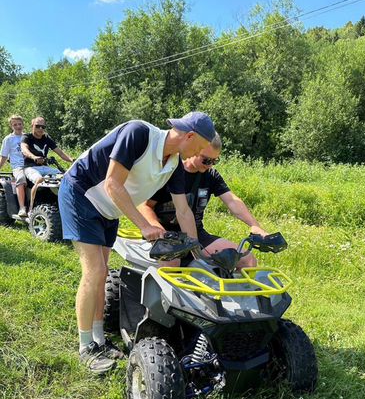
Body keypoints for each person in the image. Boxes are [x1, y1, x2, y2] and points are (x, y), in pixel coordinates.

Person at [58, 112, 217, 375]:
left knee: (104, 270)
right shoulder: (139, 134)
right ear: (189, 136)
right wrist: (144, 226)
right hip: (81, 193)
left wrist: (198, 255)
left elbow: (184, 212)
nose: (197, 155)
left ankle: (99, 339)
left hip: (109, 209)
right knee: (95, 271)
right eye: (199, 148)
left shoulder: (174, 164)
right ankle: (86, 347)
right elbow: (112, 183)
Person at [139, 133, 268, 269]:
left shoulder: (210, 175)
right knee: (172, 263)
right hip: (166, 234)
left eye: (214, 161)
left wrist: (255, 225)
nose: (210, 165)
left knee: (247, 260)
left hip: (196, 234)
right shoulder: (170, 171)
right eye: (206, 160)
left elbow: (232, 201)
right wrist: (155, 227)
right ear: (194, 149)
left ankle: (235, 289)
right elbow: (145, 206)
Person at [21, 117, 74, 212]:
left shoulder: (46, 138)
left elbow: (60, 153)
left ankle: (63, 204)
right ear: (32, 126)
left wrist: (72, 160)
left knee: (65, 177)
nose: (40, 129)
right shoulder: (27, 137)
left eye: (43, 127)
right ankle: (31, 209)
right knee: (39, 179)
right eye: (37, 126)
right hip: (30, 167)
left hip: (44, 167)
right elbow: (24, 150)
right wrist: (34, 157)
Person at [0, 115, 28, 216]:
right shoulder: (8, 139)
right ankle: (22, 208)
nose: (18, 126)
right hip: (18, 166)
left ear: (23, 124)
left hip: (30, 165)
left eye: (19, 124)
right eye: (15, 124)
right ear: (11, 126)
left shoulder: (28, 136)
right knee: (20, 178)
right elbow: (3, 157)